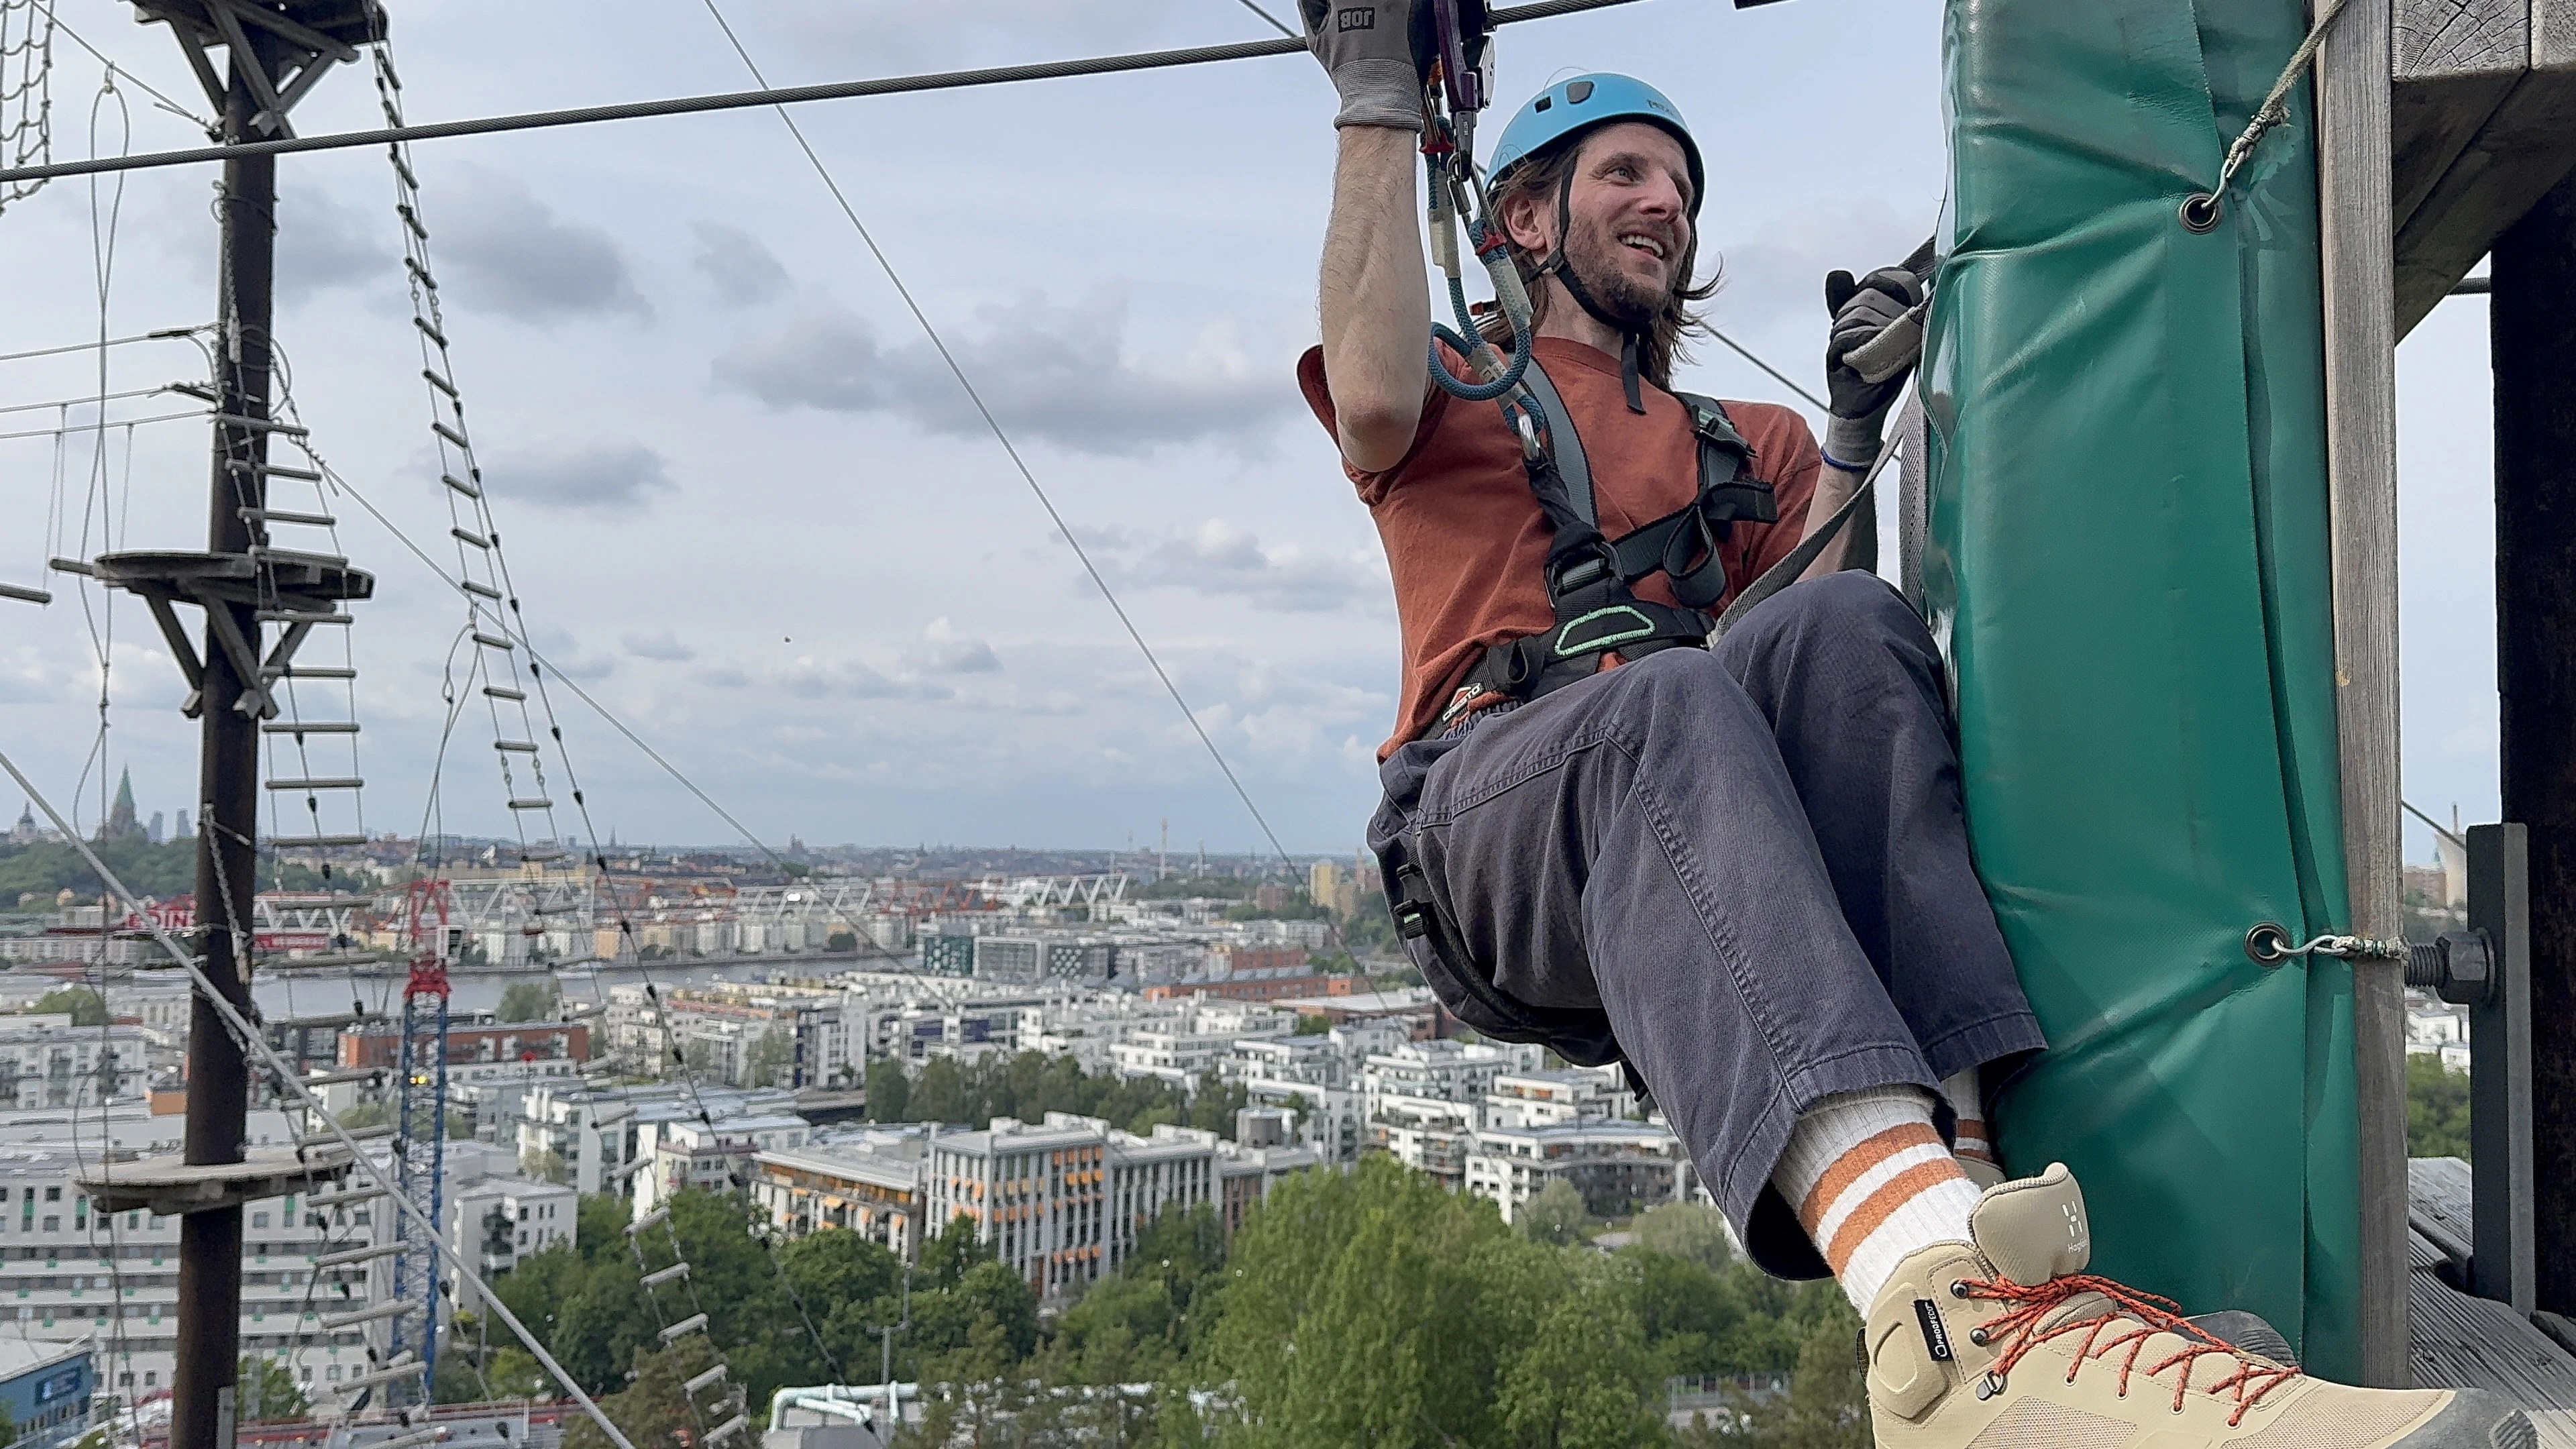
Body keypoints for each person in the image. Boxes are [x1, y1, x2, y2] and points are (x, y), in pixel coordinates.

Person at [1295, 5, 2532, 1446]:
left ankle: (1990, 1237)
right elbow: (1372, 391)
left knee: (1849, 625)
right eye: (1625, 174)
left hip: (1679, 841)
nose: (1667, 207)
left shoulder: (1734, 445)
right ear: (1522, 212)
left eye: (1682, 188)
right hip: (1489, 832)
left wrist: (1844, 435)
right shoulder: (1456, 387)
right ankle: (1946, 1327)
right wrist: (1380, 89)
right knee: (1664, 698)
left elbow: (1814, 685)